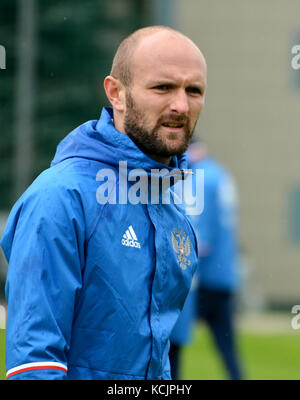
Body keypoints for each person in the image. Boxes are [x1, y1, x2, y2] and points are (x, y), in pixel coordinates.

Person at [0, 26, 207, 380]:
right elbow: (35, 364)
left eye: (194, 90)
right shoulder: (61, 198)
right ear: (117, 94)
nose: (181, 105)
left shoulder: (173, 209)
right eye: (163, 87)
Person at [188, 140, 244, 380]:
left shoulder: (201, 177)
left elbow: (203, 237)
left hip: (207, 275)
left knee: (171, 341)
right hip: (225, 272)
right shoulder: (219, 173)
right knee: (226, 343)